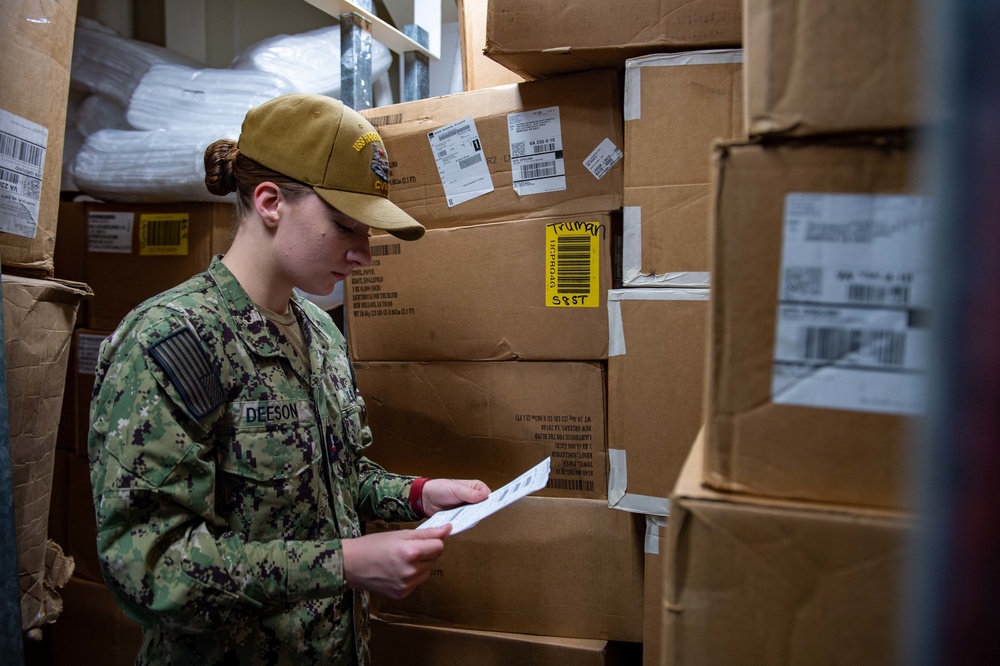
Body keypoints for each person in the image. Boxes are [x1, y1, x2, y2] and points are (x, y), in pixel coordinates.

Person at [87, 93, 491, 665]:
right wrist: (344, 563)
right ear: (271, 202)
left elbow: (332, 480)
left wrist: (418, 495)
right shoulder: (170, 343)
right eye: (347, 227)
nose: (364, 255)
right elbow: (148, 566)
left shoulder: (319, 336)